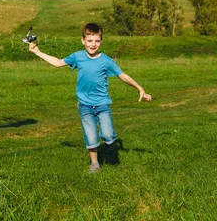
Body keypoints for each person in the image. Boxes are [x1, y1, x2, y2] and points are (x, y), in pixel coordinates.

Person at [28, 22, 152, 172]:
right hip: (84, 106)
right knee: (91, 136)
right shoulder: (78, 57)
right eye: (90, 41)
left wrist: (140, 88)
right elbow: (57, 62)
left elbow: (122, 75)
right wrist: (38, 52)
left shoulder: (106, 60)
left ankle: (110, 144)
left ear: (101, 41)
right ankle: (95, 164)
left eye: (97, 41)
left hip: (102, 105)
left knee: (107, 134)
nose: (93, 44)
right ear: (83, 40)